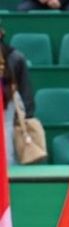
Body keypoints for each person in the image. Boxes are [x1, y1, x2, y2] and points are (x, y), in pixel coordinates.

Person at [0, 27, 35, 166]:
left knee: (7, 137)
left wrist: (26, 116)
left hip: (9, 110)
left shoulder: (15, 57)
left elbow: (25, 89)